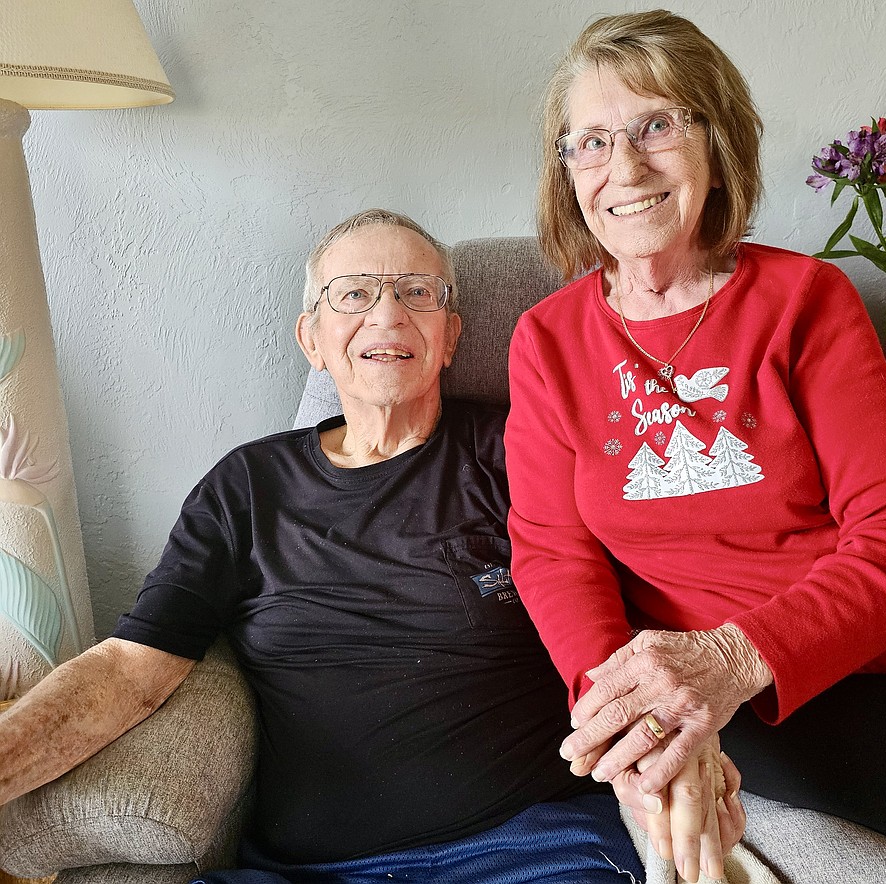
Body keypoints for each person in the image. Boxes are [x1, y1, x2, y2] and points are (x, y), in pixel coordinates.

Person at [504, 10, 886, 884]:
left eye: (658, 125)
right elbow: (554, 552)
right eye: (589, 141)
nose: (623, 166)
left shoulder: (803, 299)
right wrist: (637, 710)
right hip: (773, 696)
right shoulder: (546, 341)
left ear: (719, 140)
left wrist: (728, 657)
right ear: (566, 173)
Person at [0, 209, 742, 883]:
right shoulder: (247, 486)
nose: (387, 313)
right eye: (353, 294)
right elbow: (131, 670)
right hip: (307, 872)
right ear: (311, 340)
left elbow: (661, 579)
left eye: (418, 293)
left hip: (525, 850)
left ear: (451, 337)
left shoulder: (522, 452)